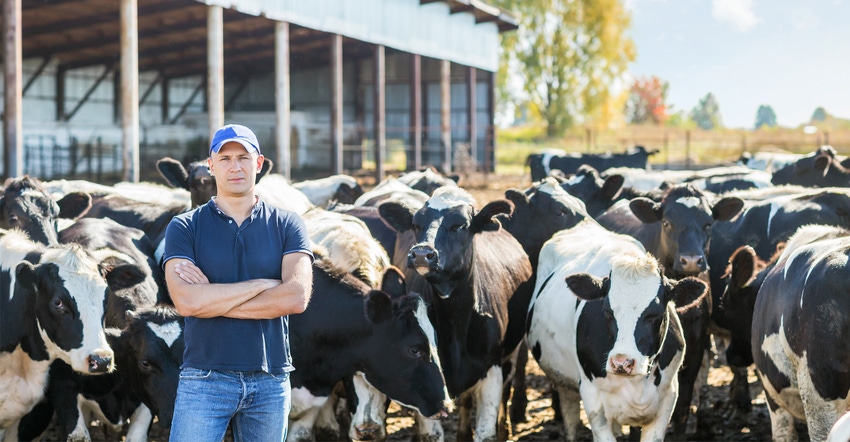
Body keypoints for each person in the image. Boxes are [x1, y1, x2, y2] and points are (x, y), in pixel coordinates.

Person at [163, 123, 313, 442]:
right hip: (205, 376)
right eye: (226, 158)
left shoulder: (288, 224)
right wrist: (264, 284)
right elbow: (187, 302)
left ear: (258, 164)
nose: (235, 166)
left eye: (243, 157)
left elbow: (296, 297)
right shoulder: (184, 227)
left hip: (270, 378)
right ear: (211, 165)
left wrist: (212, 302)